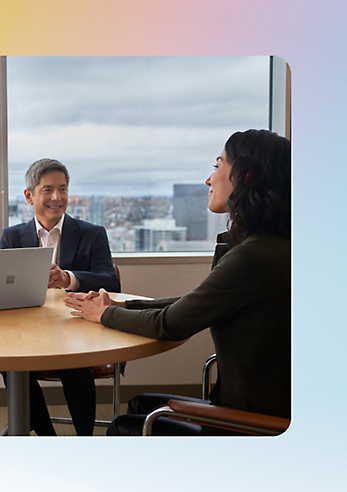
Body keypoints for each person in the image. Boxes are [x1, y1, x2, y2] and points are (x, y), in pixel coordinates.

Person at [64, 129, 291, 436]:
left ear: (246, 176)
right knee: (141, 405)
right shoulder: (272, 245)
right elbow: (195, 301)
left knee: (124, 427)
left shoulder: (252, 258)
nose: (209, 180)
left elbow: (170, 324)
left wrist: (103, 315)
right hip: (266, 404)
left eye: (217, 166)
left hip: (251, 424)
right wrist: (121, 304)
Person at [0, 158, 120, 436]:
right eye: (48, 190)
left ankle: (84, 437)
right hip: (27, 331)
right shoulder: (12, 237)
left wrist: (68, 278)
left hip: (77, 328)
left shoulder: (92, 234)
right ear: (29, 196)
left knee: (74, 362)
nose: (57, 197)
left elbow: (110, 281)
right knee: (10, 365)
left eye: (63, 189)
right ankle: (47, 437)